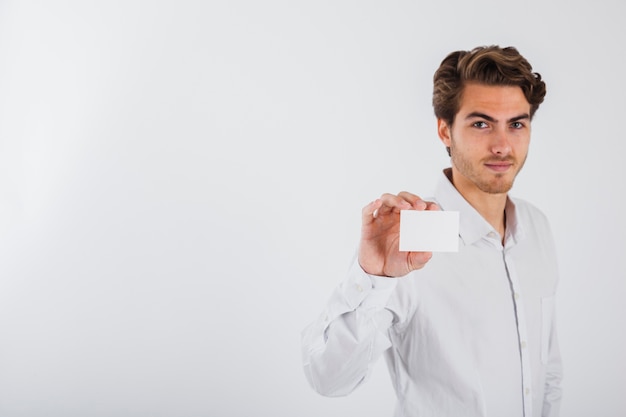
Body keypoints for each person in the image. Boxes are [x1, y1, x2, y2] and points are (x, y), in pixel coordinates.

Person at [301, 45, 563, 417]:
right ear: (445, 130)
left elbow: (547, 370)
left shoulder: (537, 227)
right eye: (481, 123)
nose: (503, 145)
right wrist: (372, 276)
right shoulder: (408, 240)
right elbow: (328, 378)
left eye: (517, 124)